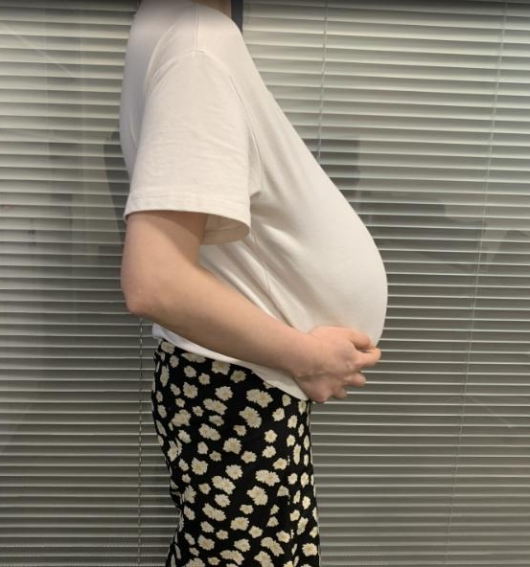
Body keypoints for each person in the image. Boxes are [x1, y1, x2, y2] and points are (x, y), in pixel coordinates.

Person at [119, 0, 388, 565]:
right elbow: (156, 281)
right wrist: (310, 358)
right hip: (238, 387)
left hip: (246, 380)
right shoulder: (196, 43)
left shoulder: (180, 31)